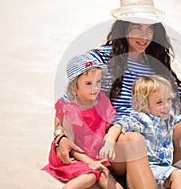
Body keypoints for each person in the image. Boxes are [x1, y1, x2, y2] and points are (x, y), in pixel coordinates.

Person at [55, 0, 181, 189]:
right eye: (137, 27)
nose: (145, 36)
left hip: (158, 138)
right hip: (119, 143)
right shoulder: (102, 59)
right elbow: (69, 99)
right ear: (124, 29)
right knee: (135, 140)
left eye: (149, 29)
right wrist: (60, 136)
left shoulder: (157, 63)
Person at [42, 54, 123, 189]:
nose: (95, 88)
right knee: (92, 175)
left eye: (98, 82)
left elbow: (112, 124)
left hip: (92, 153)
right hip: (74, 156)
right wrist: (91, 162)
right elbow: (71, 147)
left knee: (104, 173)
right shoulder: (71, 110)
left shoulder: (101, 100)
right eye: (88, 84)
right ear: (75, 87)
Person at [115, 75, 181, 189]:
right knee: (179, 176)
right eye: (160, 102)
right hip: (147, 168)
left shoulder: (168, 118)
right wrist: (109, 141)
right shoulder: (140, 119)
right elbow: (119, 126)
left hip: (164, 167)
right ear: (143, 103)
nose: (166, 106)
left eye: (168, 100)